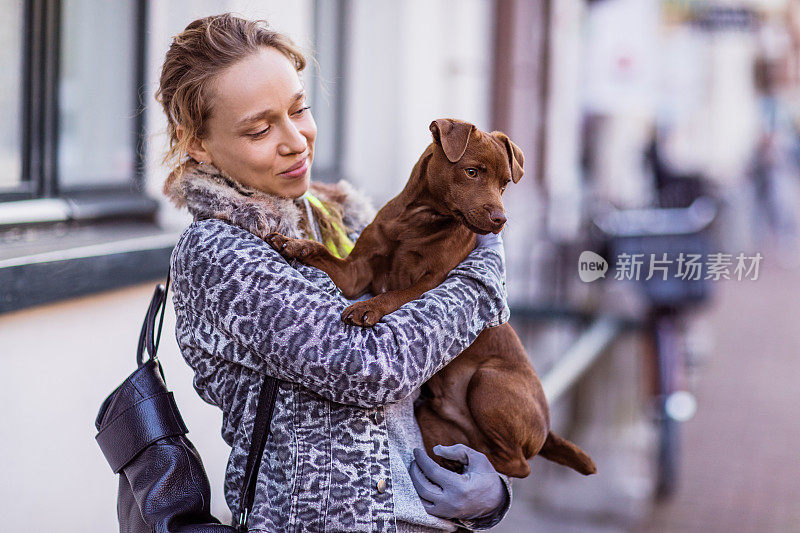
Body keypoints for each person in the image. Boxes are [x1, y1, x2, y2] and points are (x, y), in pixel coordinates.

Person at [158, 14, 512, 532]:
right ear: (197, 142)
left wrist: (491, 496)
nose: (295, 141)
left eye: (299, 110)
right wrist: (482, 277)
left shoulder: (338, 221)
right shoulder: (218, 252)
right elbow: (365, 366)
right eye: (260, 128)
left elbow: (438, 368)